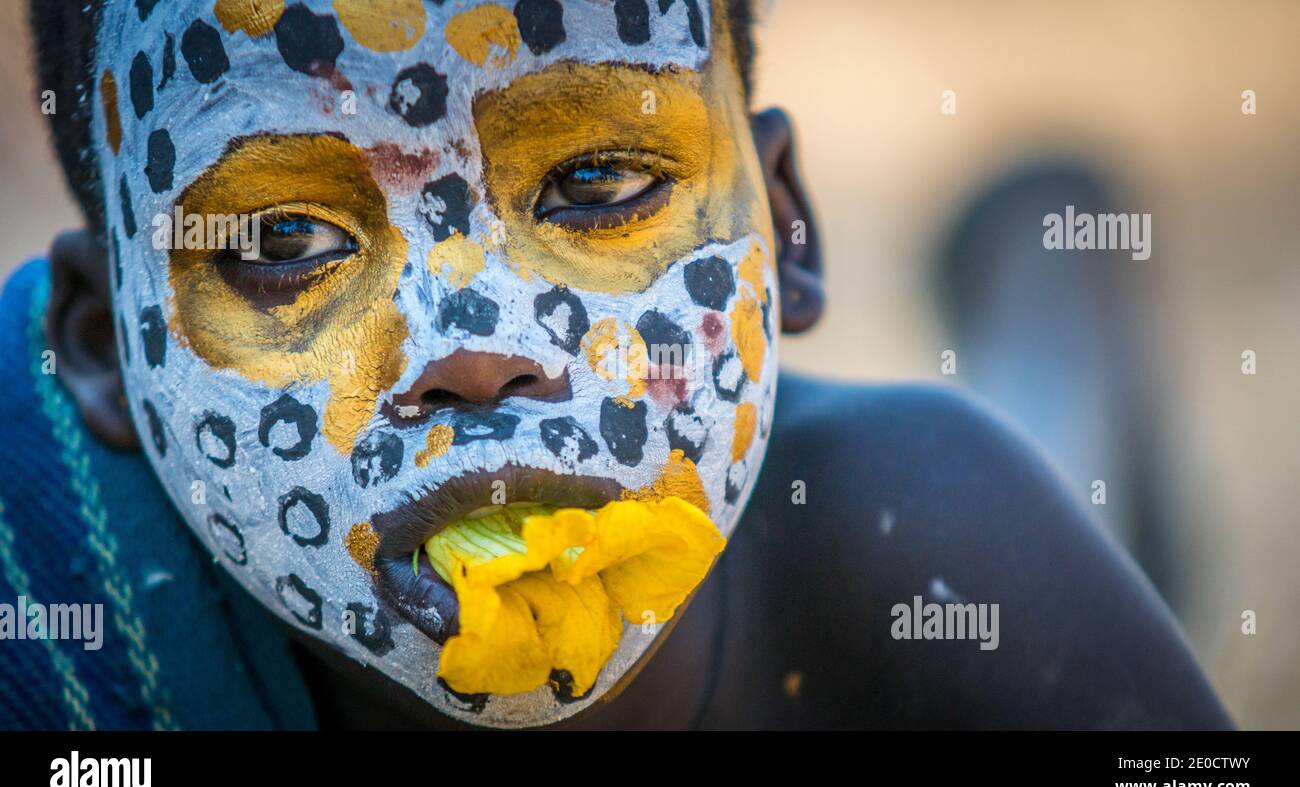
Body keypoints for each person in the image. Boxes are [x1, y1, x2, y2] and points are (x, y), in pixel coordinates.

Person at [0, 0, 1230, 729]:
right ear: (105, 353)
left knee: (1034, 468)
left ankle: (1056, 305)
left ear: (784, 235)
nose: (474, 353)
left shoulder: (925, 540)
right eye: (288, 243)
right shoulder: (52, 643)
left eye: (597, 184)